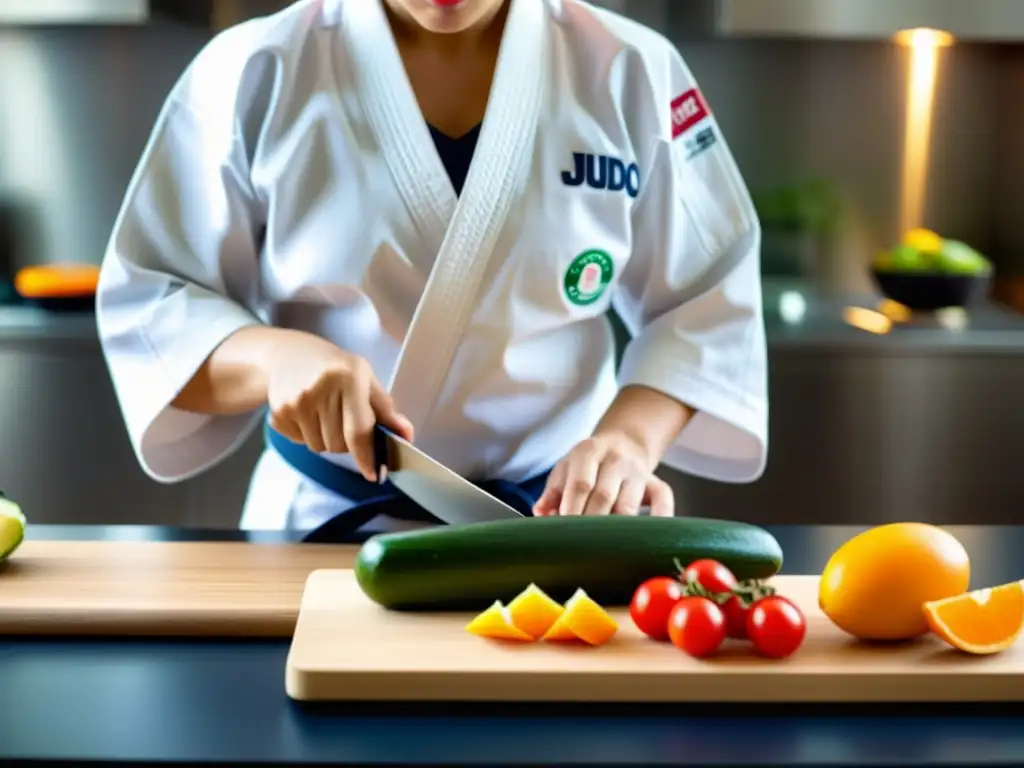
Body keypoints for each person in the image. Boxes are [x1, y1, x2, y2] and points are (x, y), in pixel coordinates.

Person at [96, 0, 768, 538]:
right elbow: (153, 302)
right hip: (317, 541)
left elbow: (707, 299)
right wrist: (277, 360)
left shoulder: (632, 72)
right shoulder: (254, 69)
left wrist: (626, 442)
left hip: (552, 534)